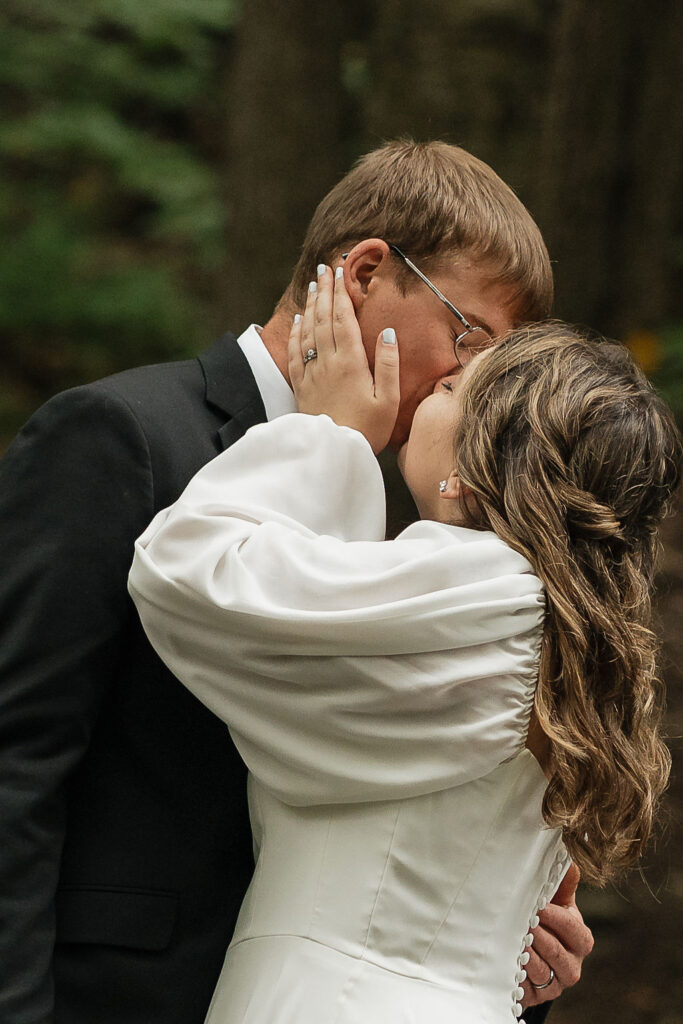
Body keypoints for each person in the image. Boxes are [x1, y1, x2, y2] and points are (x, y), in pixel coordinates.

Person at [0, 140, 590, 1024]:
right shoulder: (122, 435)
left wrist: (514, 936)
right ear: (362, 274)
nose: (472, 387)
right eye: (469, 341)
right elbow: (16, 763)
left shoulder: (412, 521)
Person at [128, 270, 681, 1024]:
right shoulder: (554, 621)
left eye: (453, 392)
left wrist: (328, 435)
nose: (427, 395)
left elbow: (189, 572)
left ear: (473, 469)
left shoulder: (485, 591)